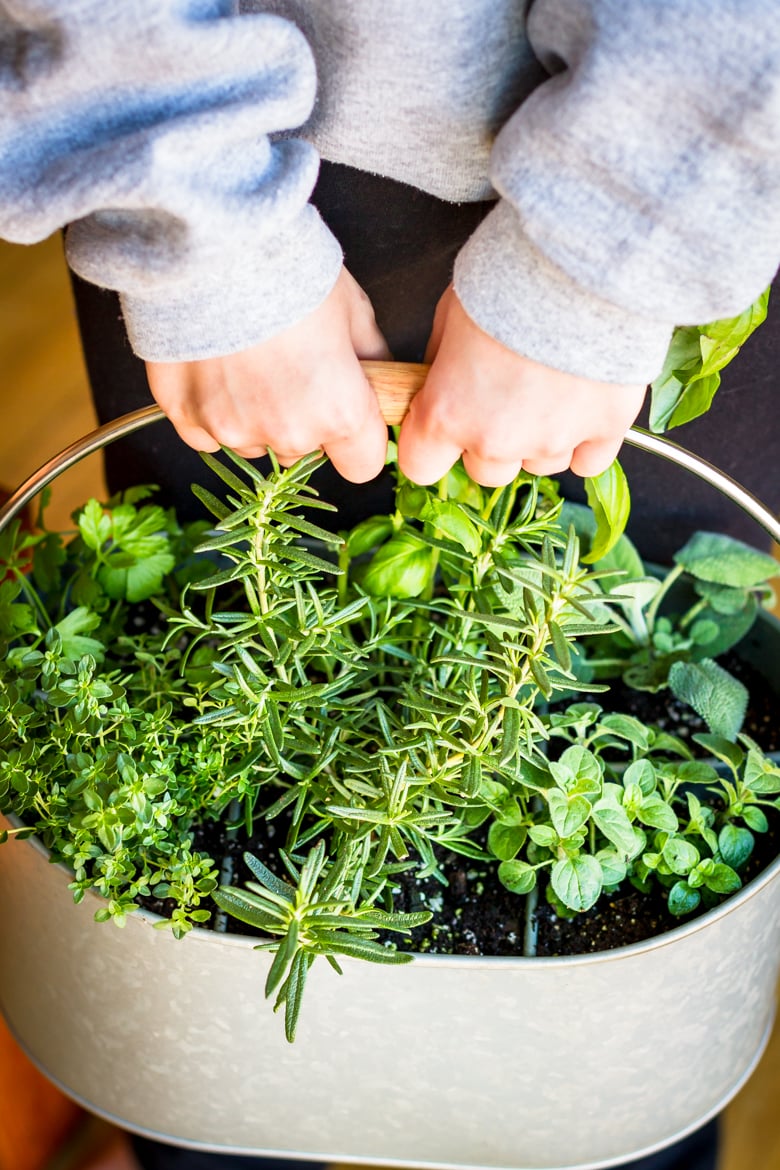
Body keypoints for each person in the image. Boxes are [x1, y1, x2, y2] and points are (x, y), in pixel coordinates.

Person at [2, 3, 780, 1169]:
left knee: (602, 1067)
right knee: (200, 1026)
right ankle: (193, 1126)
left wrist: (602, 264)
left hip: (701, 183)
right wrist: (199, 216)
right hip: (274, 147)